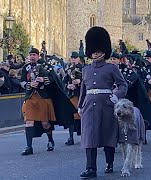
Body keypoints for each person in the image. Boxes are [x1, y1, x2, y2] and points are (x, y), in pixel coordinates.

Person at [78, 26, 128, 179]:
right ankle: (90, 168)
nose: (95, 54)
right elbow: (83, 89)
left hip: (107, 105)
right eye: (93, 52)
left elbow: (123, 84)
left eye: (98, 51)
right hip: (89, 105)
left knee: (108, 135)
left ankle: (109, 163)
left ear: (104, 52)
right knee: (89, 137)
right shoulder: (86, 69)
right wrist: (80, 105)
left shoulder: (111, 68)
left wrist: (116, 96)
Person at [20, 48, 76, 155]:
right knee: (29, 121)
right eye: (30, 55)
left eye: (34, 55)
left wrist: (43, 80)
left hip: (43, 97)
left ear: (38, 56)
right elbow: (22, 82)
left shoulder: (46, 66)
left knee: (45, 123)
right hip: (30, 97)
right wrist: (29, 84)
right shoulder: (25, 68)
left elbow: (53, 79)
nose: (32, 57)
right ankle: (29, 147)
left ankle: (50, 140)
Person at [63, 51, 84, 145]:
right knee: (71, 116)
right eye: (72, 58)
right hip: (71, 95)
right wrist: (68, 86)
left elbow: (89, 81)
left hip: (81, 95)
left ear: (79, 59)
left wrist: (80, 82)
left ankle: (84, 136)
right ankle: (70, 137)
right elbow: (63, 81)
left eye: (75, 58)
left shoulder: (84, 69)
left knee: (82, 115)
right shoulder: (68, 69)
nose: (73, 60)